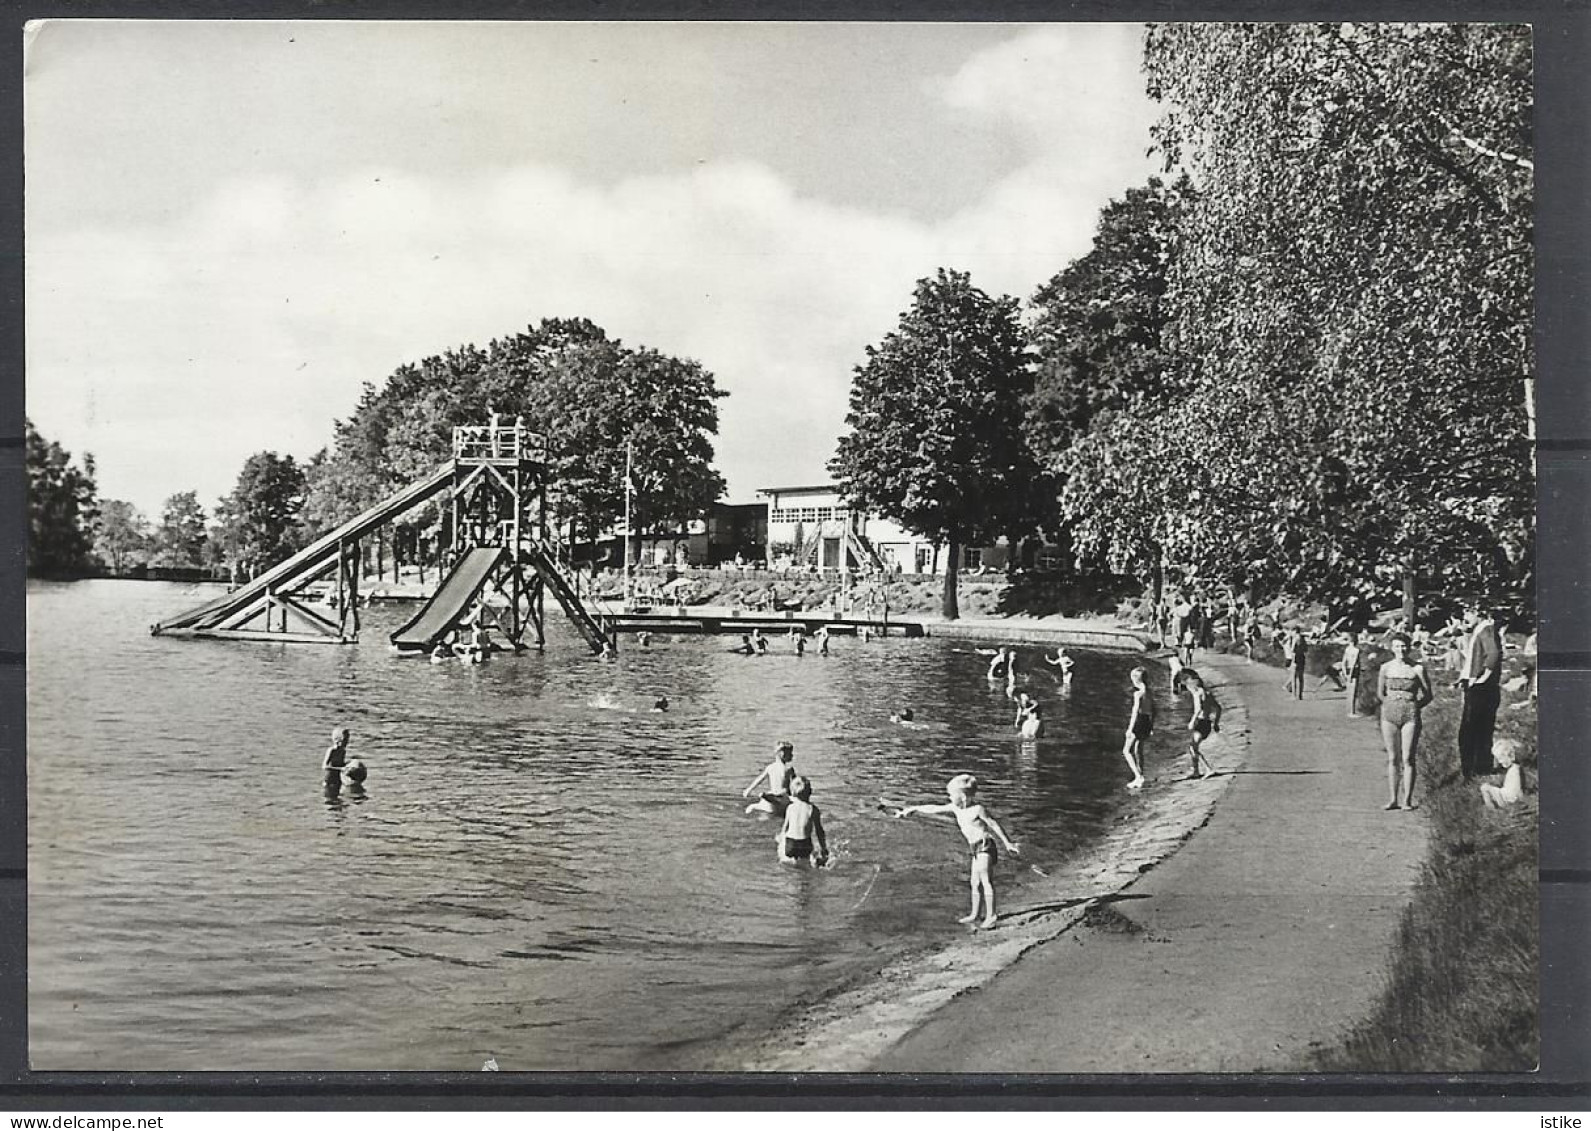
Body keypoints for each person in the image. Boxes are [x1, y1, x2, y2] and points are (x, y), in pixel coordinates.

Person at [895, 774, 1020, 928]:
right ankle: (975, 914)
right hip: (975, 847)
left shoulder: (977, 809)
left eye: (951, 795)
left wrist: (1007, 843)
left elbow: (994, 825)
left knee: (986, 880)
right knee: (974, 882)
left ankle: (992, 916)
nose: (949, 797)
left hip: (985, 845)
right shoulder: (955, 807)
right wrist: (914, 809)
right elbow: (934, 808)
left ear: (962, 796)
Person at [1376, 632, 1434, 811]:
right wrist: (1387, 703)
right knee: (1393, 757)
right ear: (1391, 648)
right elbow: (1380, 692)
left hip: (1410, 714)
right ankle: (1393, 799)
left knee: (1408, 758)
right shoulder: (1386, 668)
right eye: (1397, 646)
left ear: (1409, 648)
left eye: (1404, 646)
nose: (1401, 650)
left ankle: (1406, 800)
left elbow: (1428, 695)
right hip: (1389, 714)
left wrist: (1415, 706)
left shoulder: (1417, 669)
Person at [1457, 607, 1503, 778]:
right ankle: (1480, 770)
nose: (1465, 617)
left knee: (1468, 733)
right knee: (1482, 731)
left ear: (1477, 612)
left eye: (1467, 613)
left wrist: (1481, 678)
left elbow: (1493, 656)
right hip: (1484, 688)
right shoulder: (1483, 629)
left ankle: (1469, 773)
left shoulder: (1485, 629)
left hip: (1481, 690)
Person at [776, 776, 829, 867]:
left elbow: (784, 829)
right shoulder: (812, 809)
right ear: (810, 792)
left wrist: (780, 841)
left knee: (786, 858)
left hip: (790, 844)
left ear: (793, 793)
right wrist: (824, 848)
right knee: (807, 864)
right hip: (804, 844)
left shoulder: (790, 808)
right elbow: (819, 831)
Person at [1183, 671, 1221, 779]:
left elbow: (1198, 709)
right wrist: (1216, 723)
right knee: (1193, 746)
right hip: (1208, 723)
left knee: (1193, 747)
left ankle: (1208, 769)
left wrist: (1191, 721)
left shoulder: (1197, 694)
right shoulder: (1207, 693)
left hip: (1200, 722)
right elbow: (1218, 708)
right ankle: (1196, 771)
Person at [743, 741, 797, 814]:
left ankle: (767, 797)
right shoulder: (789, 769)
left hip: (769, 803)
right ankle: (771, 797)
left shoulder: (770, 767)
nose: (792, 755)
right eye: (790, 753)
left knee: (753, 806)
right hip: (782, 799)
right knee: (788, 799)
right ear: (782, 754)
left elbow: (759, 779)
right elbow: (796, 786)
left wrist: (748, 790)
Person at [1122, 666, 1152, 790]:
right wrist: (1151, 725)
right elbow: (1154, 710)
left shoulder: (1138, 694)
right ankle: (1141, 776)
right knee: (1138, 749)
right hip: (1146, 721)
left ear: (1135, 680)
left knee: (1126, 751)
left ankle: (1138, 776)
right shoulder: (1149, 692)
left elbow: (1135, 712)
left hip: (1138, 721)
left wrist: (1130, 728)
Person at [1480, 738, 1524, 809]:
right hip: (1511, 797)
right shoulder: (1515, 768)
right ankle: (1493, 804)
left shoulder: (1514, 770)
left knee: (1484, 787)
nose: (1500, 762)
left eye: (1501, 758)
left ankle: (1491, 809)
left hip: (1509, 799)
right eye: (1498, 759)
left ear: (1510, 756)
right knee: (1492, 789)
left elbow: (1514, 790)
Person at [1339, 630, 1365, 717]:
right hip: (1354, 671)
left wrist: (1344, 673)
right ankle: (1352, 712)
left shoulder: (1347, 649)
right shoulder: (1356, 650)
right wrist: (1350, 675)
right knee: (1353, 692)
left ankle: (1349, 711)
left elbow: (1343, 662)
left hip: (1348, 669)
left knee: (1349, 692)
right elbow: (1354, 663)